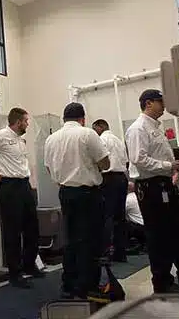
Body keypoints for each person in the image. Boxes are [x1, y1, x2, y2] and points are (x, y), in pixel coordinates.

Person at [125, 89, 179, 293]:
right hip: (151, 189)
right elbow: (138, 159)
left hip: (163, 185)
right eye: (160, 102)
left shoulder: (155, 127)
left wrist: (173, 167)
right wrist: (168, 166)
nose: (164, 106)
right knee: (159, 237)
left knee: (178, 232)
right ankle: (162, 282)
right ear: (148, 103)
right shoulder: (138, 128)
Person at [44, 103, 110, 299]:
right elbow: (105, 164)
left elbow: (48, 168)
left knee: (71, 240)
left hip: (65, 193)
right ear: (82, 118)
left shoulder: (51, 139)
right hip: (88, 194)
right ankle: (88, 286)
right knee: (90, 240)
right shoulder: (87, 134)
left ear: (64, 119)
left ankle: (69, 284)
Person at [0, 107, 42, 288]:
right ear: (18, 122)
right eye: (26, 121)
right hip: (9, 187)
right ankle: (15, 274)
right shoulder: (1, 136)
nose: (27, 124)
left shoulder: (21, 140)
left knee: (32, 228)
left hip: (24, 185)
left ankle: (29, 265)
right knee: (13, 231)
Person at [92, 119, 129, 262]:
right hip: (121, 178)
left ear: (101, 127)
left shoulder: (101, 140)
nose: (94, 132)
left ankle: (105, 252)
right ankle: (121, 252)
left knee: (106, 216)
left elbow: (100, 161)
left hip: (108, 178)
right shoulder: (118, 140)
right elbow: (125, 161)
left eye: (95, 128)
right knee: (120, 217)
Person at [125, 181, 146, 251]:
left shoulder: (127, 199)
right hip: (147, 226)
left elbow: (121, 214)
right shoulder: (141, 196)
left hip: (138, 228)